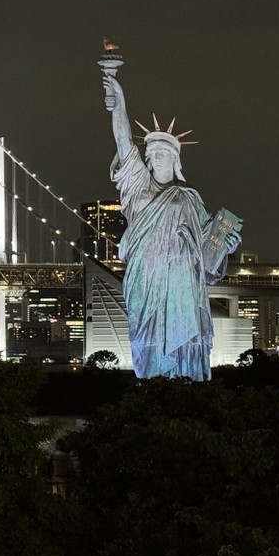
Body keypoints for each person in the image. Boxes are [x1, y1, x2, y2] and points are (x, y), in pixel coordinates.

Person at [104, 73, 240, 380]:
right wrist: (119, 102)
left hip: (182, 283)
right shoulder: (138, 187)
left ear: (175, 159)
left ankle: (185, 392)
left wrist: (226, 245)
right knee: (147, 345)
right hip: (145, 278)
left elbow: (208, 244)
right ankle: (153, 392)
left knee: (185, 346)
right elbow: (123, 141)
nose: (157, 158)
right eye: (152, 154)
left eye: (163, 154)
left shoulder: (189, 198)